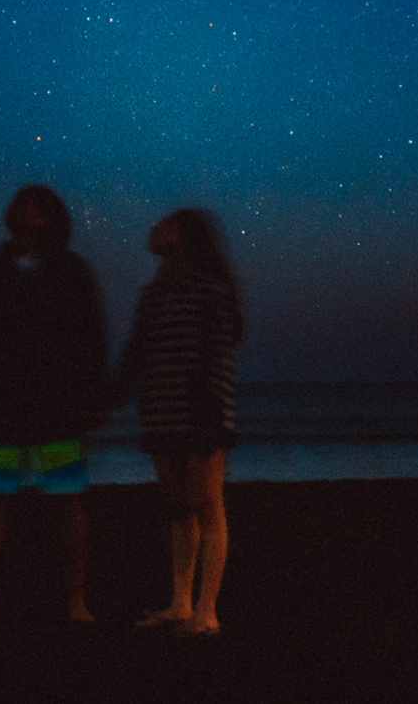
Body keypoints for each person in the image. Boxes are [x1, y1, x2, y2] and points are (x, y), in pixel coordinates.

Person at [0, 184, 108, 631]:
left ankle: (75, 600)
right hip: (6, 403)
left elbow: (91, 335)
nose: (26, 209)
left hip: (59, 404)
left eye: (36, 205)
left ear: (50, 217)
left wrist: (87, 394)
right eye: (22, 203)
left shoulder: (71, 270)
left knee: (69, 500)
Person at [109, 207, 244, 637]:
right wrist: (109, 398)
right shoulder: (155, 294)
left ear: (186, 236)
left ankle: (208, 612)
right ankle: (181, 604)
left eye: (166, 223)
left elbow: (219, 353)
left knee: (207, 503)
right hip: (161, 412)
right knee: (178, 507)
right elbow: (135, 353)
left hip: (201, 412)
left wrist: (211, 416)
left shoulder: (211, 289)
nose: (154, 226)